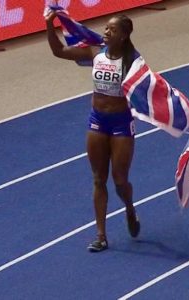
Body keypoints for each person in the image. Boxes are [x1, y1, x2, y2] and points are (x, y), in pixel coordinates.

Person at [45, 12, 140, 252]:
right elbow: (59, 52)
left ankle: (129, 207)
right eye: (106, 29)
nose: (106, 32)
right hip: (98, 121)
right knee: (99, 178)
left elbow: (149, 91)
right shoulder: (94, 53)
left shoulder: (133, 61)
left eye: (112, 30)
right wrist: (49, 25)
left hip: (121, 123)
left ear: (124, 35)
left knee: (120, 181)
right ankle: (101, 235)